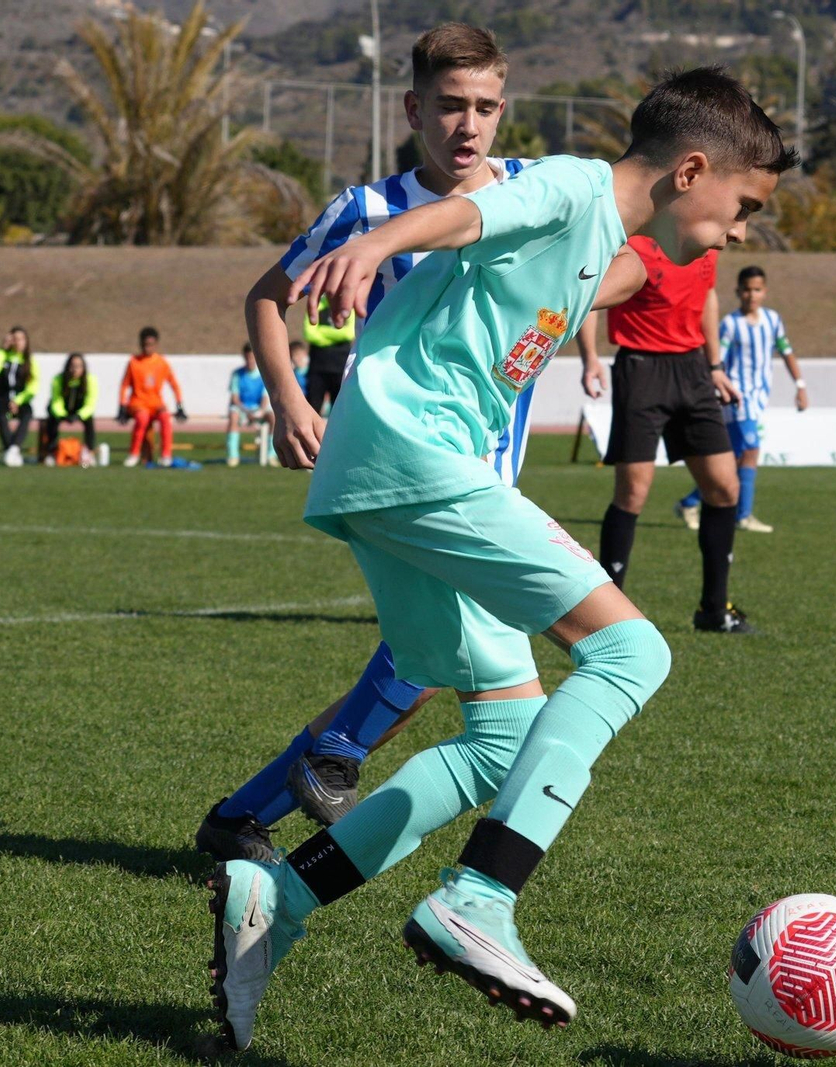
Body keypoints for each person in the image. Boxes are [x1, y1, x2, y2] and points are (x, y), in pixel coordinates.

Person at [206, 66, 795, 1051]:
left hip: (388, 465)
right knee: (631, 652)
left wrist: (647, 267)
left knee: (500, 736)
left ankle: (280, 895)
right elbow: (473, 213)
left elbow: (598, 265)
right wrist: (379, 240)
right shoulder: (571, 185)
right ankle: (480, 895)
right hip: (416, 455)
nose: (740, 232)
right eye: (745, 207)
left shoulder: (606, 239)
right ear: (692, 170)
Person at [194, 23, 541, 855]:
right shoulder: (367, 210)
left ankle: (244, 814)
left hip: (491, 471)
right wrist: (287, 402)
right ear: (414, 110)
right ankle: (338, 768)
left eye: (484, 106)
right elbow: (267, 296)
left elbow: (618, 264)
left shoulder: (533, 190)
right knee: (442, 660)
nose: (467, 124)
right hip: (405, 465)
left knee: (424, 665)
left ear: (503, 110)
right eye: (450, 105)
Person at [579, 229, 755, 634]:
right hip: (641, 369)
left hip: (693, 370)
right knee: (633, 493)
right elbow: (590, 297)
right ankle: (605, 619)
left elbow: (707, 296)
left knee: (725, 488)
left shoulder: (708, 240)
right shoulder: (631, 240)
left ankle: (714, 610)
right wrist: (590, 359)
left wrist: (715, 366)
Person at [677, 265, 806, 532]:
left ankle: (690, 502)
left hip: (759, 397)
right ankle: (743, 516)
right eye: (746, 290)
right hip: (737, 398)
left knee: (736, 458)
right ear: (738, 292)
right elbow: (717, 358)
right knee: (750, 450)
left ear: (764, 291)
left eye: (757, 289)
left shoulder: (773, 320)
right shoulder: (730, 324)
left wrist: (800, 386)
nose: (751, 295)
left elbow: (786, 352)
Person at [117, 326, 187, 467]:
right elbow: (124, 386)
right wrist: (122, 407)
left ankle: (166, 455)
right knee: (142, 418)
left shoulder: (162, 363)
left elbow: (174, 385)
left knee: (165, 417)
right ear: (140, 344)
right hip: (138, 402)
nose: (148, 348)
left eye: (151, 345)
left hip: (156, 403)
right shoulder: (134, 362)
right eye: (145, 344)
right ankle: (134, 454)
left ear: (156, 345)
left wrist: (180, 406)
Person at [0, 326, 38, 467]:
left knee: (27, 413)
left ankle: (13, 449)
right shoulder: (3, 356)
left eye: (21, 339)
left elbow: (33, 387)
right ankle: (11, 450)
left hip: (20, 400)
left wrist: (18, 401)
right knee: (0, 412)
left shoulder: (29, 361)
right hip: (1, 398)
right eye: (15, 339)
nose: (18, 342)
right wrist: (2, 350)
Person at [43, 352, 99, 466]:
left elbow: (90, 404)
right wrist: (63, 415)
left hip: (80, 410)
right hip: (62, 410)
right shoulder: (58, 379)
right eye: (72, 366)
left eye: (78, 366)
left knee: (89, 421)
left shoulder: (90, 380)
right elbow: (56, 401)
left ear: (83, 368)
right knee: (52, 420)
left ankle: (89, 452)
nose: (75, 370)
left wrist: (79, 415)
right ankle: (51, 452)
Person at [303, 295, 355, 414]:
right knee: (312, 408)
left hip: (340, 367)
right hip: (317, 368)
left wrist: (321, 334)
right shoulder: (315, 306)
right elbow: (309, 334)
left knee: (339, 410)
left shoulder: (347, 308)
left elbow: (349, 334)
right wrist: (336, 334)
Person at [227, 343, 271, 468]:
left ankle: (272, 455)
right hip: (242, 409)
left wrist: (259, 411)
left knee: (273, 417)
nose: (250, 361)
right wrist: (247, 412)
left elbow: (265, 399)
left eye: (252, 358)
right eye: (247, 358)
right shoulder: (237, 374)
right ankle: (233, 456)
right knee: (233, 416)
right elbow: (235, 399)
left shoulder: (263, 374)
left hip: (258, 409)